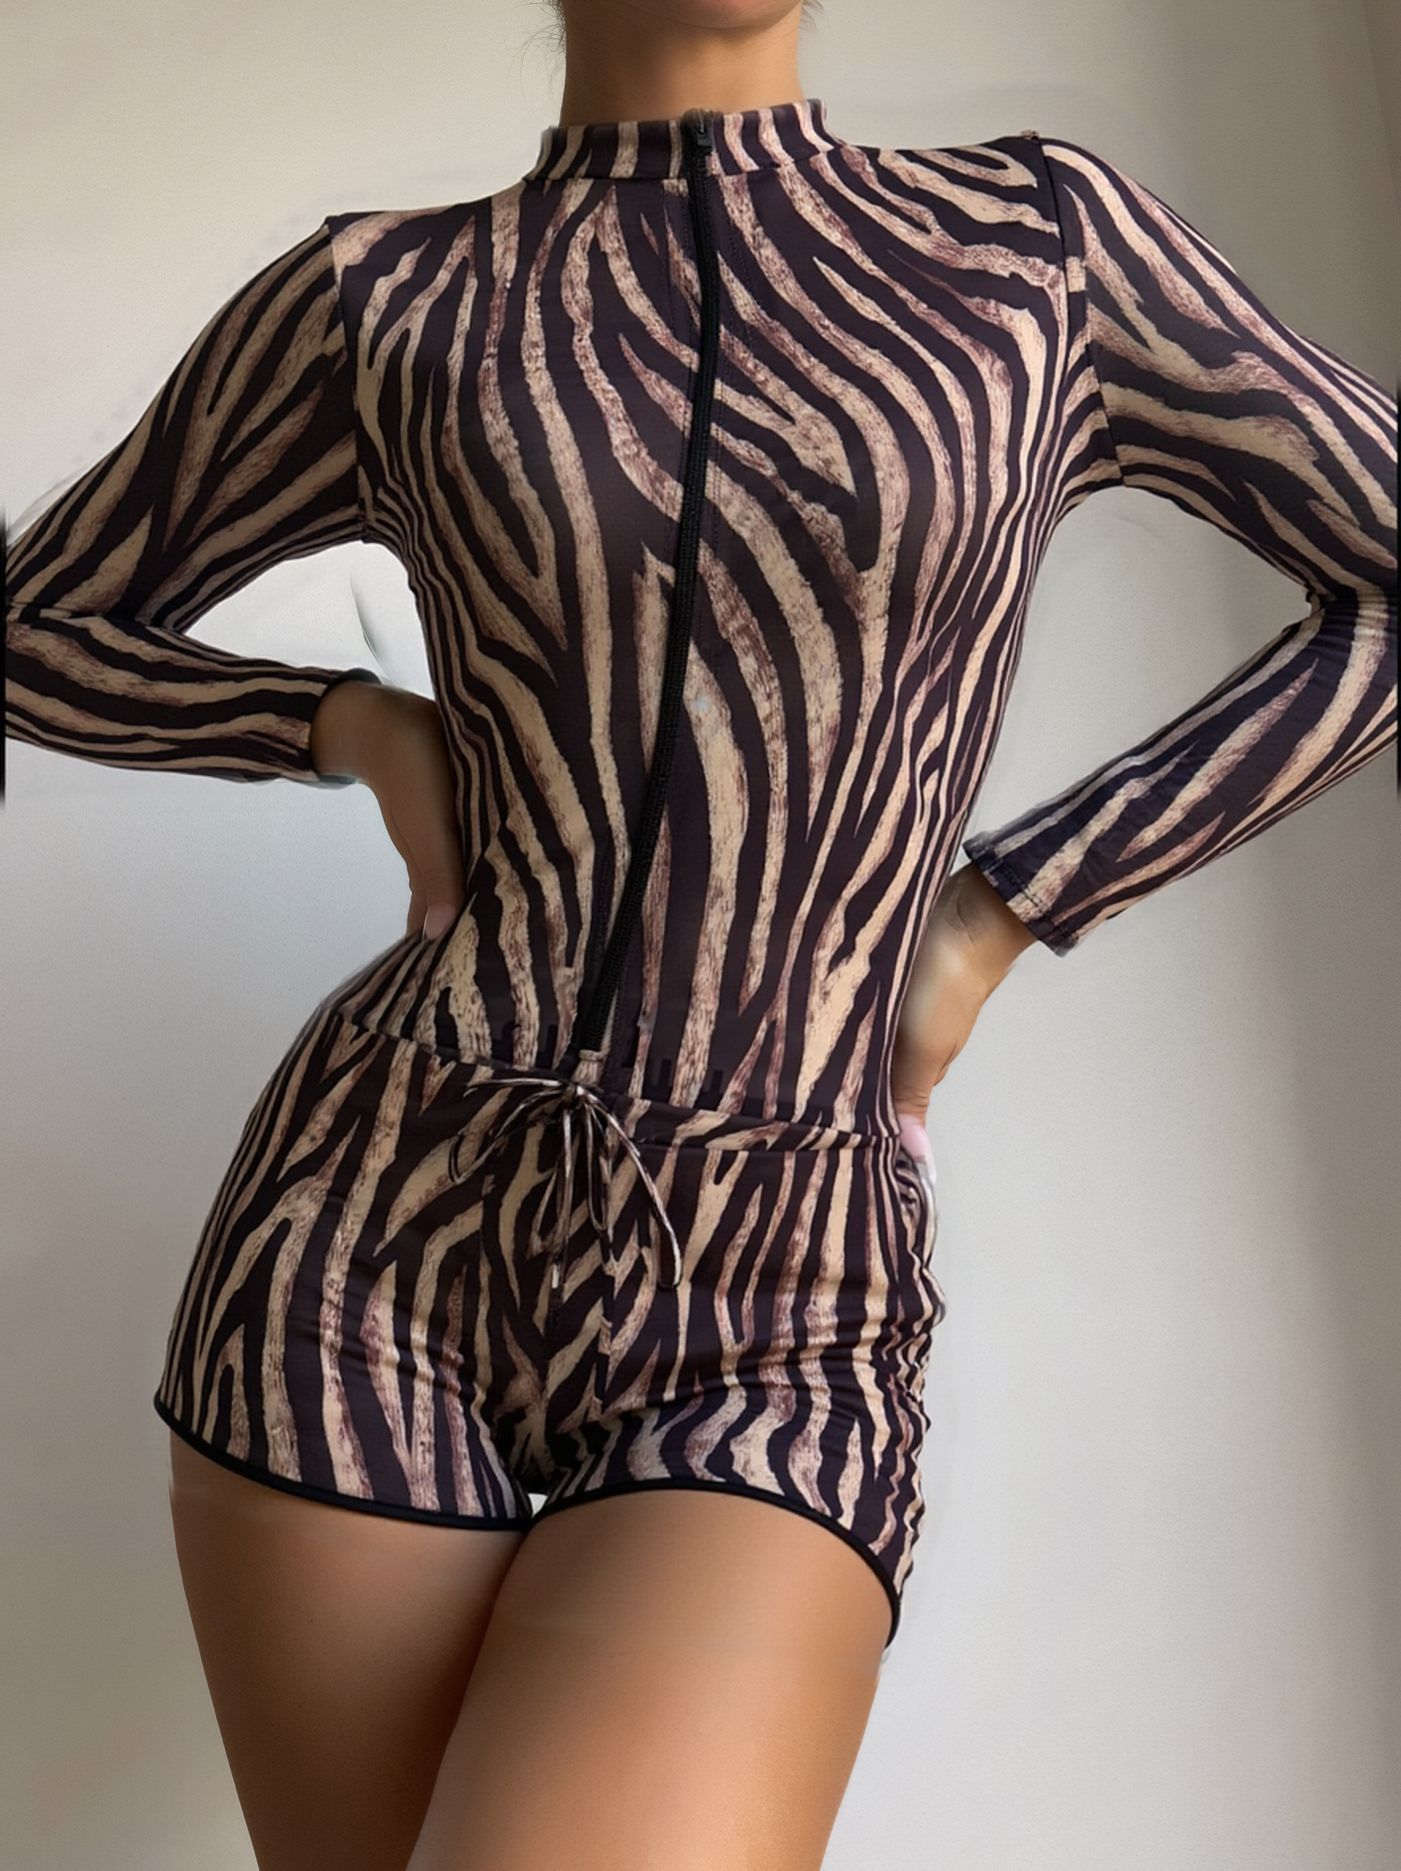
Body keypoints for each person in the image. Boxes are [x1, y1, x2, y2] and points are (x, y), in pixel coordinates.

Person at [4, 0, 1396, 1862]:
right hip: (362, 1244)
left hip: (782, 1286)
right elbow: (35, 628)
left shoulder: (1035, 255)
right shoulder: (387, 299)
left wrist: (1011, 904)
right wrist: (341, 723)